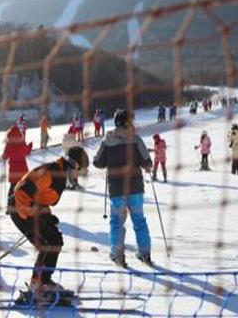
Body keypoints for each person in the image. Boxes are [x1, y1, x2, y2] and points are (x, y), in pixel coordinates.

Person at [9, 146, 89, 294]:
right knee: (47, 243)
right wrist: (34, 217)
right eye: (80, 171)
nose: (79, 175)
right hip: (20, 208)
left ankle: (44, 279)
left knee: (55, 239)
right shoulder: (50, 173)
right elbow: (22, 191)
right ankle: (37, 284)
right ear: (73, 165)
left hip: (31, 208)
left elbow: (41, 198)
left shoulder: (60, 175)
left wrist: (46, 216)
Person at [93, 109, 153, 267]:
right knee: (139, 220)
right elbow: (147, 162)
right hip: (135, 188)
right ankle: (145, 252)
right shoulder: (136, 140)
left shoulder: (108, 141)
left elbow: (98, 162)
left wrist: (104, 144)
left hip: (117, 189)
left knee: (117, 222)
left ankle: (118, 254)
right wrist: (145, 166)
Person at [2, 125, 32, 211]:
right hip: (23, 170)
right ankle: (26, 205)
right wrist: (30, 146)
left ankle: (10, 208)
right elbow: (27, 151)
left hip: (13, 170)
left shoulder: (9, 144)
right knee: (24, 189)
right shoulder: (22, 142)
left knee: (12, 189)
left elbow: (4, 156)